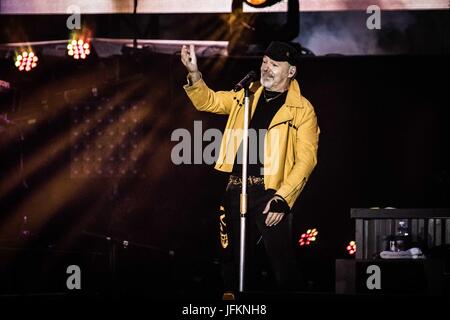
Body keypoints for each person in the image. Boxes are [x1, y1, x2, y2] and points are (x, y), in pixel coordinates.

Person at [180, 41, 320, 295]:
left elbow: (306, 160)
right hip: (236, 188)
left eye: (275, 65)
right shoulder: (246, 95)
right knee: (231, 262)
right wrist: (193, 73)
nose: (266, 68)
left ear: (291, 72)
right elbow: (208, 101)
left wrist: (283, 198)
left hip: (270, 193)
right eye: (265, 62)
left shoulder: (302, 109)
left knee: (281, 264)